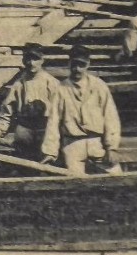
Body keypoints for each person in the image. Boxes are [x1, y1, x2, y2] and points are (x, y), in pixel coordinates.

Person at [41, 45, 122, 176]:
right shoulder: (61, 89)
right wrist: (50, 151)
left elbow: (110, 117)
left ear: (88, 64)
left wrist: (112, 148)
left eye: (81, 65)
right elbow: (53, 122)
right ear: (69, 63)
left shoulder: (99, 86)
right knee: (75, 181)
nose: (77, 69)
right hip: (72, 145)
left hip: (96, 142)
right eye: (74, 64)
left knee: (117, 175)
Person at [0, 43, 59, 153]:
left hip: (45, 130)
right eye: (28, 59)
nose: (31, 63)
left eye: (35, 59)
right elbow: (6, 111)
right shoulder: (19, 85)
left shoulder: (52, 83)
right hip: (25, 129)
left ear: (42, 60)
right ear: (23, 61)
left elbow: (61, 112)